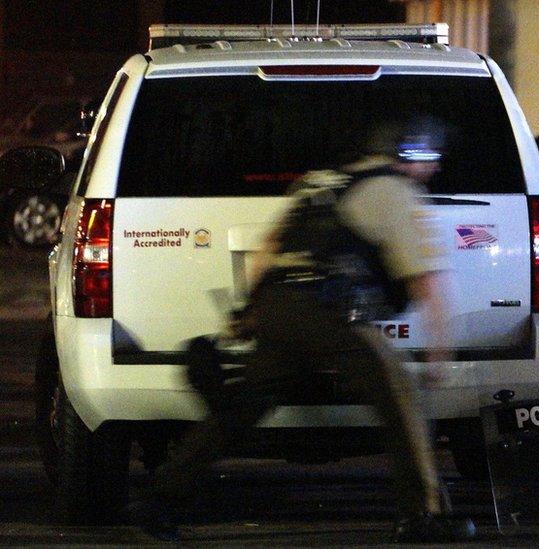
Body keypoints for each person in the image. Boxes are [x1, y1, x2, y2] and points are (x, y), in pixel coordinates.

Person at [128, 116, 476, 543]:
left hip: (277, 307)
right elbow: (426, 282)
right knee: (401, 393)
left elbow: (267, 251)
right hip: (328, 312)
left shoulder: (319, 182)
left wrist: (245, 316)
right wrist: (440, 353)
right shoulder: (395, 192)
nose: (435, 168)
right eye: (430, 158)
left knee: (240, 409)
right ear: (410, 153)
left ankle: (159, 501)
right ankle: (425, 514)